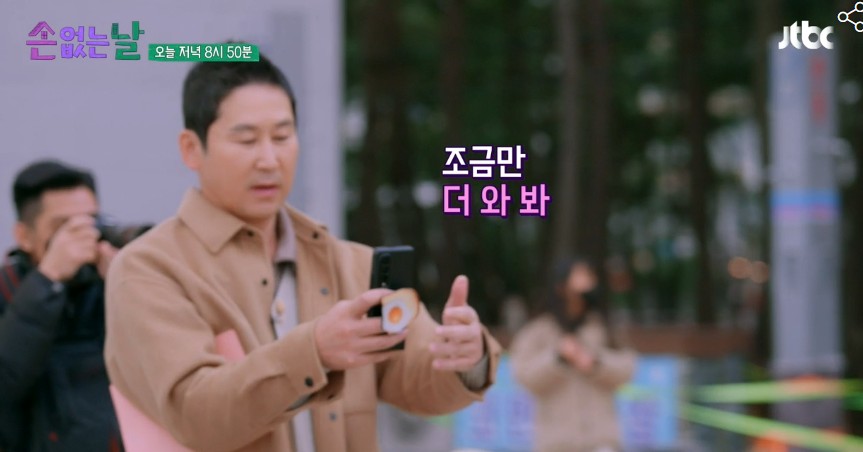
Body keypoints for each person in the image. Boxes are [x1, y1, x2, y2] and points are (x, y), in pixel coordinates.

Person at [103, 49, 501, 452]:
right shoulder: (148, 269)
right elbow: (197, 414)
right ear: (191, 148)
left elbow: (418, 381)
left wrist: (467, 356)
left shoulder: (350, 263)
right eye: (246, 139)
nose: (269, 159)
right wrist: (314, 352)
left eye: (282, 136)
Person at [0, 160, 124, 451]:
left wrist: (127, 287)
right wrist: (49, 279)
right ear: (24, 236)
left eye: (90, 223)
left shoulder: (108, 283)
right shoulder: (8, 289)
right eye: (63, 227)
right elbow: (6, 381)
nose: (82, 237)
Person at [511, 257, 637, 452]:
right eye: (580, 275)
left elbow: (627, 367)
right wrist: (558, 358)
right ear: (561, 284)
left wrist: (595, 363)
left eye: (590, 276)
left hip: (601, 442)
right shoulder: (538, 330)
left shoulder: (605, 326)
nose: (588, 282)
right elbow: (524, 375)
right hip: (556, 443)